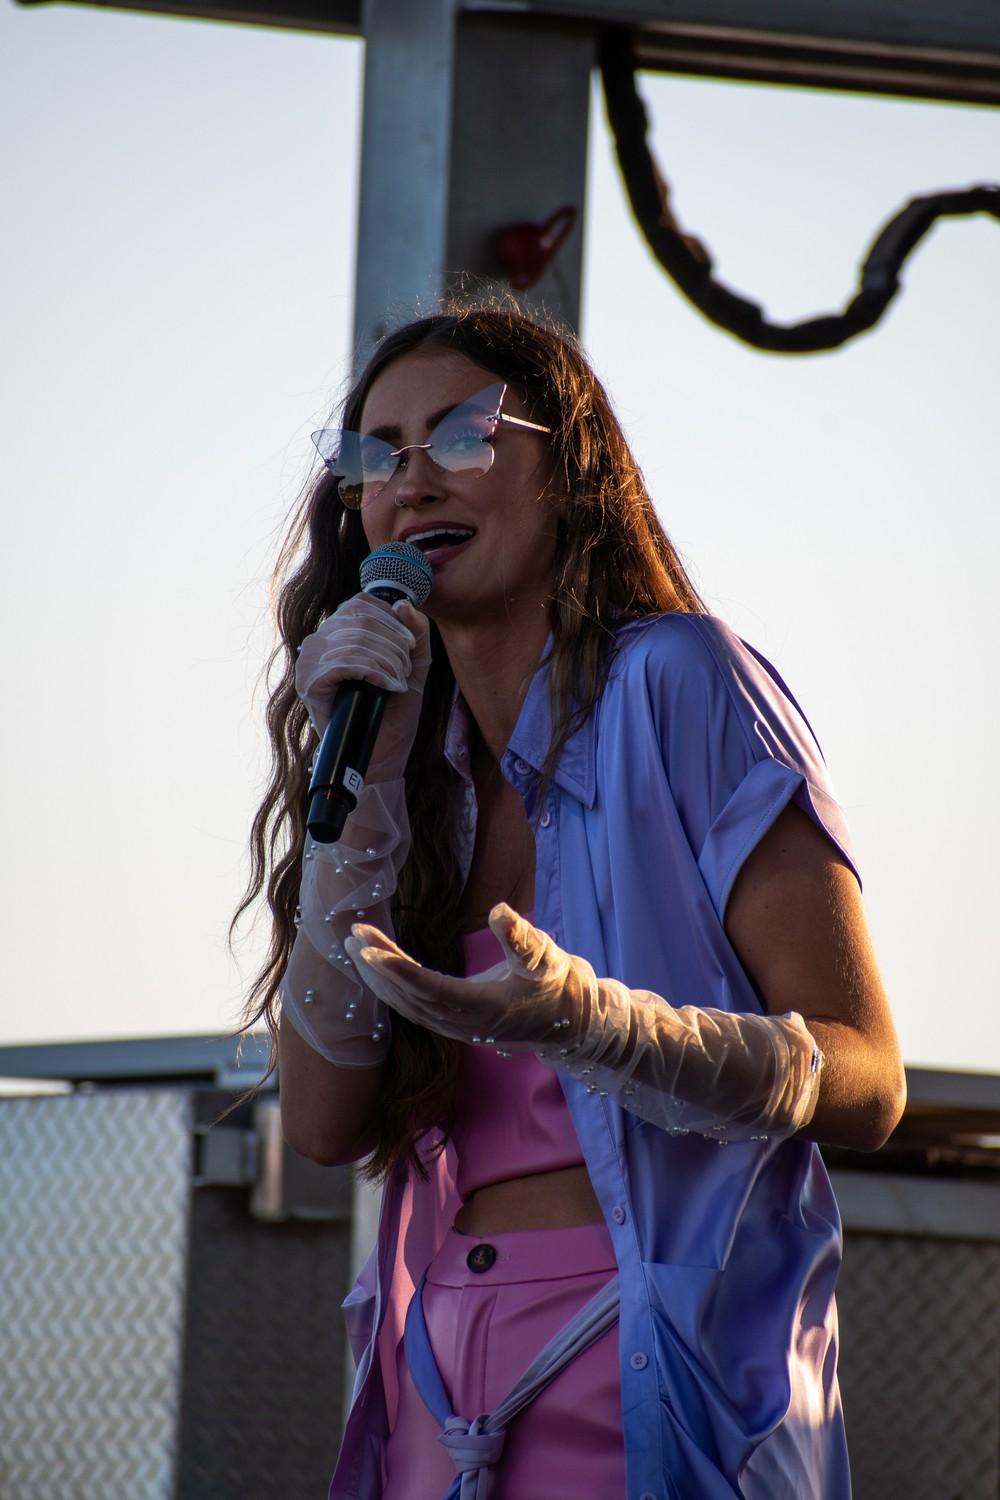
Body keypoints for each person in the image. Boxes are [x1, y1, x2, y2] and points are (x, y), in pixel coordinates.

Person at [236, 302, 906, 1500]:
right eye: (375, 455)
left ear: (569, 468)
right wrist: (369, 793)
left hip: (651, 1352)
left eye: (461, 435)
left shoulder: (682, 682)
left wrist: (605, 1029)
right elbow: (326, 1124)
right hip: (436, 1365)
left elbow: (866, 1081)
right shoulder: (413, 767)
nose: (412, 480)